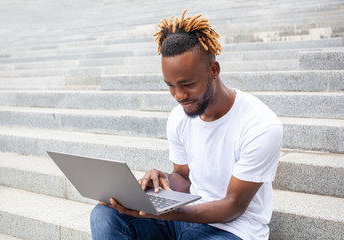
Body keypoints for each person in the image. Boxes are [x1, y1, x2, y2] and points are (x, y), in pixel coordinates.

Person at [90, 9, 283, 240]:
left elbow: (233, 206)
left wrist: (168, 214)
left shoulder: (261, 126)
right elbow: (184, 178)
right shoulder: (179, 117)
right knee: (105, 214)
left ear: (214, 70)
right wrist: (159, 183)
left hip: (233, 229)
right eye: (170, 85)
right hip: (183, 220)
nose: (179, 95)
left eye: (187, 84)